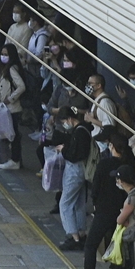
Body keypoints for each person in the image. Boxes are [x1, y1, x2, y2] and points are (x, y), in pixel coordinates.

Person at [66, 134, 130, 269]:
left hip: (104, 210)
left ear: (112, 147)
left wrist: (95, 204)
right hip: (122, 210)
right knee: (118, 243)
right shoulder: (128, 165)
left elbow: (96, 187)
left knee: (91, 244)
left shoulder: (104, 164)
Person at [56, 105, 92, 250]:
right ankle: (82, 233)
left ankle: (74, 236)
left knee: (65, 204)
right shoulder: (85, 129)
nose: (65, 124)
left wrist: (63, 149)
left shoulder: (79, 133)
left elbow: (74, 155)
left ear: (70, 119)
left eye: (64, 121)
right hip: (82, 170)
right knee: (78, 203)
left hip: (75, 171)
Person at [0, 44, 26, 170]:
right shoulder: (5, 68)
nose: (3, 56)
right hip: (5, 107)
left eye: (6, 54)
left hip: (12, 108)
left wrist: (11, 98)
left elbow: (21, 86)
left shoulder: (12, 69)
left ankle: (15, 159)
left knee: (13, 134)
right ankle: (15, 159)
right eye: (2, 54)